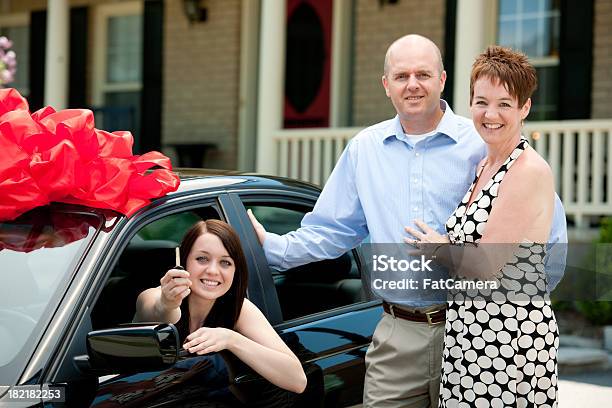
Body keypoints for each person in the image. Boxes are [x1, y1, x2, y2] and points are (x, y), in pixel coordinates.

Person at [248, 34, 566, 408]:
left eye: (423, 74)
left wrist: (517, 315)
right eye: (401, 76)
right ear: (386, 85)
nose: (412, 84)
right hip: (399, 332)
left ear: (442, 80)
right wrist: (269, 248)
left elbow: (545, 240)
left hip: (476, 333)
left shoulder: (484, 141)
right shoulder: (365, 150)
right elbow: (332, 230)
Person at [405, 46, 559, 408]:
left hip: (509, 342)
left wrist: (437, 246)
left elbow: (485, 265)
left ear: (525, 108)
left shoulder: (528, 171)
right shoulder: (483, 166)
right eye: (481, 101)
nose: (491, 114)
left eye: (505, 103)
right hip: (470, 334)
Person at [133, 219, 307, 394]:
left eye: (225, 262)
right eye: (202, 259)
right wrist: (168, 303)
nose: (213, 271)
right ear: (184, 261)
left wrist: (231, 339)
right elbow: (158, 311)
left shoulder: (239, 308)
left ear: (235, 270)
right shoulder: (154, 296)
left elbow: (297, 380)